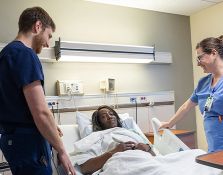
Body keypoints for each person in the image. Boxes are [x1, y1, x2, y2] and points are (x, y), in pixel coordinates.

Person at [0, 7, 75, 175]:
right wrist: (62, 150)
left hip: (12, 139)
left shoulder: (6, 54)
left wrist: (51, 125)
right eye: (48, 35)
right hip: (28, 142)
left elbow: (18, 104)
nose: (48, 43)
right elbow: (41, 112)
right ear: (38, 26)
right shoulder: (25, 54)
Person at [160, 36, 223, 153]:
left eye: (200, 58)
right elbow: (186, 107)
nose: (198, 64)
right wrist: (169, 123)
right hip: (214, 145)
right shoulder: (203, 83)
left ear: (213, 53)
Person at [78, 105, 155, 175]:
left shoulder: (132, 132)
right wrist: (114, 151)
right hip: (121, 165)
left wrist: (147, 148)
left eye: (111, 114)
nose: (110, 117)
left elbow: (155, 156)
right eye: (104, 116)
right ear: (99, 123)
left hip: (146, 161)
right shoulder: (96, 137)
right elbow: (85, 168)